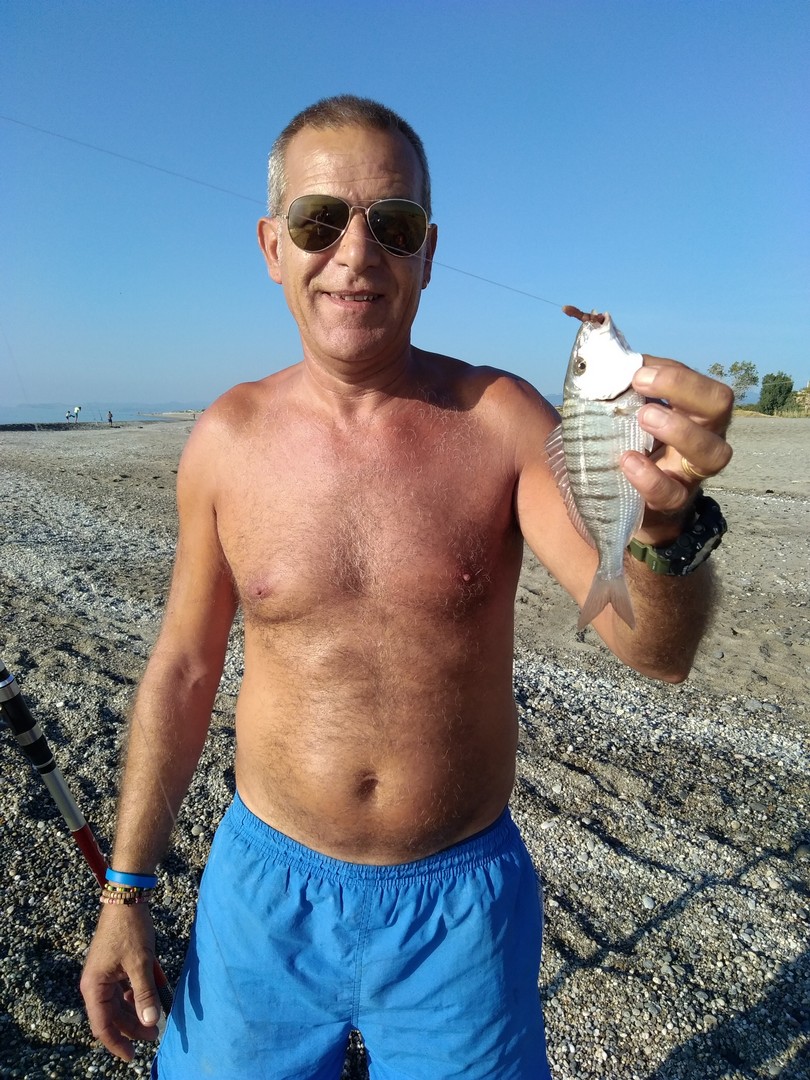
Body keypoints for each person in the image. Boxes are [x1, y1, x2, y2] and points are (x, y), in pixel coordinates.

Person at [81, 95, 733, 1078]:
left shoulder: (502, 420)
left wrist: (669, 528)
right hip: (264, 898)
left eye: (392, 224)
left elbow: (658, 652)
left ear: (428, 252)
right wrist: (125, 893)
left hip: (460, 912)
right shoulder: (226, 440)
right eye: (318, 221)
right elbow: (181, 670)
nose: (355, 253)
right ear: (272, 246)